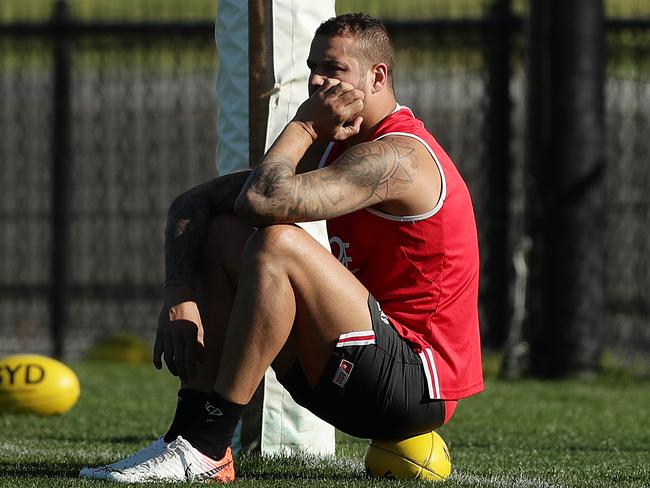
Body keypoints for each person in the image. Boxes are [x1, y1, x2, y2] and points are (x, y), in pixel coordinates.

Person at [97, 13, 483, 483]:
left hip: (415, 386)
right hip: (351, 366)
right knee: (221, 232)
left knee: (276, 242)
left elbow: (263, 202)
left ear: (377, 76)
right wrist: (179, 295)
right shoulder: (338, 147)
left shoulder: (397, 155)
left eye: (334, 69)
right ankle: (190, 438)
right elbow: (194, 202)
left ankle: (209, 445)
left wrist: (302, 127)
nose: (317, 79)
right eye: (312, 65)